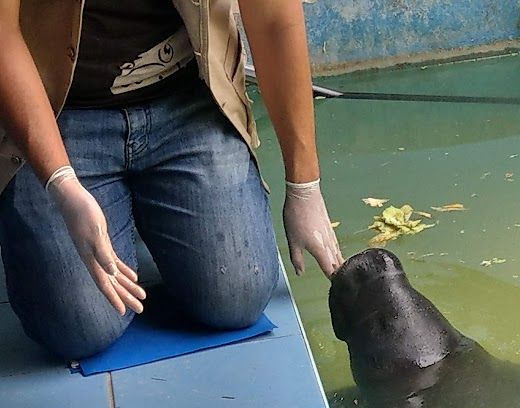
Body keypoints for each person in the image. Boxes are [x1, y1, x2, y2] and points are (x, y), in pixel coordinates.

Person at [0, 0, 343, 360]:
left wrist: (304, 186)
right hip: (59, 110)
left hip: (186, 98)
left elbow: (273, 17)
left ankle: (148, 212)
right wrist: (60, 180)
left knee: (238, 297)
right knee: (80, 328)